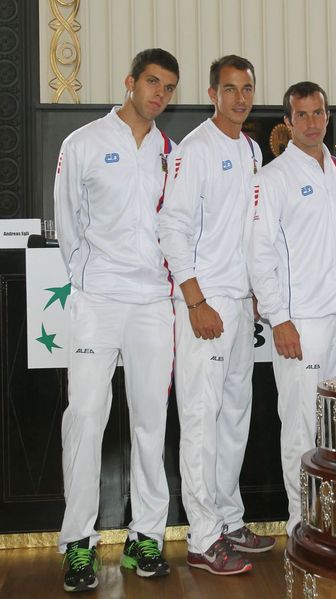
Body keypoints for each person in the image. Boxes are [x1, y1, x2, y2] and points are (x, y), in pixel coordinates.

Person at [54, 48, 179, 592]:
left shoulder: (170, 152)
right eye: (153, 82)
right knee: (85, 417)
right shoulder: (82, 142)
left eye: (169, 87)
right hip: (98, 301)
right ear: (130, 82)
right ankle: (77, 542)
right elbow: (67, 221)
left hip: (153, 303)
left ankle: (144, 536)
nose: (160, 94)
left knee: (151, 420)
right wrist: (88, 277)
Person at [159, 55, 275, 576]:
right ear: (212, 93)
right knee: (201, 420)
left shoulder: (251, 149)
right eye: (230, 89)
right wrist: (196, 299)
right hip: (203, 305)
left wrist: (251, 296)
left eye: (247, 88)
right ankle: (203, 536)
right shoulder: (195, 148)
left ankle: (228, 518)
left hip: (239, 302)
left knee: (234, 416)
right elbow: (172, 227)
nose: (240, 97)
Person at [248, 81, 336, 536]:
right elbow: (259, 254)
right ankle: (303, 523)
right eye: (303, 115)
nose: (313, 123)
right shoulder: (272, 178)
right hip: (301, 323)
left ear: (327, 116)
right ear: (288, 123)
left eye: (319, 113)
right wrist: (279, 319)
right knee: (299, 428)